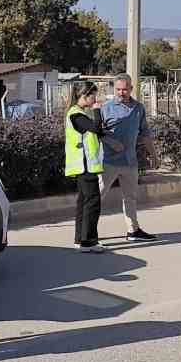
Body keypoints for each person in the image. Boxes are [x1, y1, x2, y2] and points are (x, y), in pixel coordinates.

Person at [99, 74, 157, 242]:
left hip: (130, 162)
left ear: (131, 89)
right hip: (108, 162)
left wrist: (153, 155)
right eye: (118, 89)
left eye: (125, 89)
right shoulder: (105, 108)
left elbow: (145, 134)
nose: (121, 92)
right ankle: (88, 233)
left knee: (130, 198)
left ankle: (133, 230)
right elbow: (95, 132)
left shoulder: (139, 108)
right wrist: (111, 142)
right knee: (97, 197)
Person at [64, 80, 108, 253]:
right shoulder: (77, 115)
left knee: (83, 203)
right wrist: (97, 110)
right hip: (85, 166)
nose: (95, 99)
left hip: (84, 166)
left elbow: (94, 132)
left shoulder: (78, 114)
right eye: (94, 96)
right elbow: (96, 128)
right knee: (92, 203)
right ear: (85, 96)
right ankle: (88, 242)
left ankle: (80, 239)